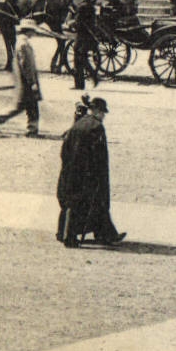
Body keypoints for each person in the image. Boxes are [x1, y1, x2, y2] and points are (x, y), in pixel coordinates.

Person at [57, 97, 123, 247]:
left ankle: (103, 234)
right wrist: (98, 175)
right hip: (87, 173)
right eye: (103, 113)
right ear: (99, 111)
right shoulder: (97, 127)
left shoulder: (78, 124)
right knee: (91, 203)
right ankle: (73, 237)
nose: (104, 116)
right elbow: (99, 155)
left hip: (71, 170)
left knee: (73, 203)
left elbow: (65, 150)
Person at [0, 26, 43, 136]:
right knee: (24, 105)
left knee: (30, 105)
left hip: (25, 80)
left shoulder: (22, 43)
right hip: (26, 81)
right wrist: (32, 81)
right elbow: (26, 65)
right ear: (28, 31)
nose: (34, 33)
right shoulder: (24, 45)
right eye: (33, 31)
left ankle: (32, 129)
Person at [66, 0, 103, 91]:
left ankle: (87, 80)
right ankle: (87, 80)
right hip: (89, 36)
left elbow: (78, 22)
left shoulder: (82, 7)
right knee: (81, 58)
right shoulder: (91, 7)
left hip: (82, 36)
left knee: (79, 59)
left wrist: (70, 23)